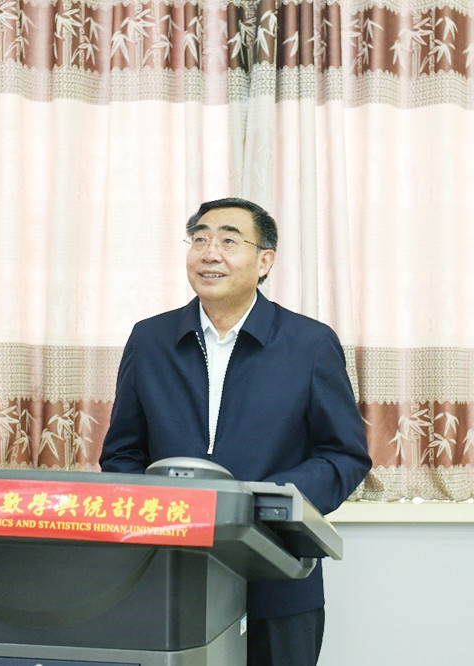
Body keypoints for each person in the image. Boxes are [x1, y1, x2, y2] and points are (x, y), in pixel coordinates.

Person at [99, 197, 371, 666]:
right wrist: (156, 512)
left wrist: (260, 503)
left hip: (278, 573)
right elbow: (122, 454)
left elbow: (343, 456)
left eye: (229, 241)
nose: (210, 253)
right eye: (200, 239)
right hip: (171, 572)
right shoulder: (150, 340)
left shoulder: (309, 344)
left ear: (264, 261)